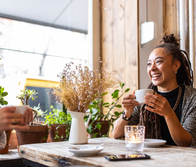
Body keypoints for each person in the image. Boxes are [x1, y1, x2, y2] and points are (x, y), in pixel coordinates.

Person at [113, 33, 196, 147]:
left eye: (159, 62)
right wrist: (127, 113)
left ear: (176, 65)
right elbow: (115, 134)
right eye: (149, 64)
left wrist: (168, 114)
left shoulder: (192, 98)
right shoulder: (145, 96)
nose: (152, 68)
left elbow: (186, 143)